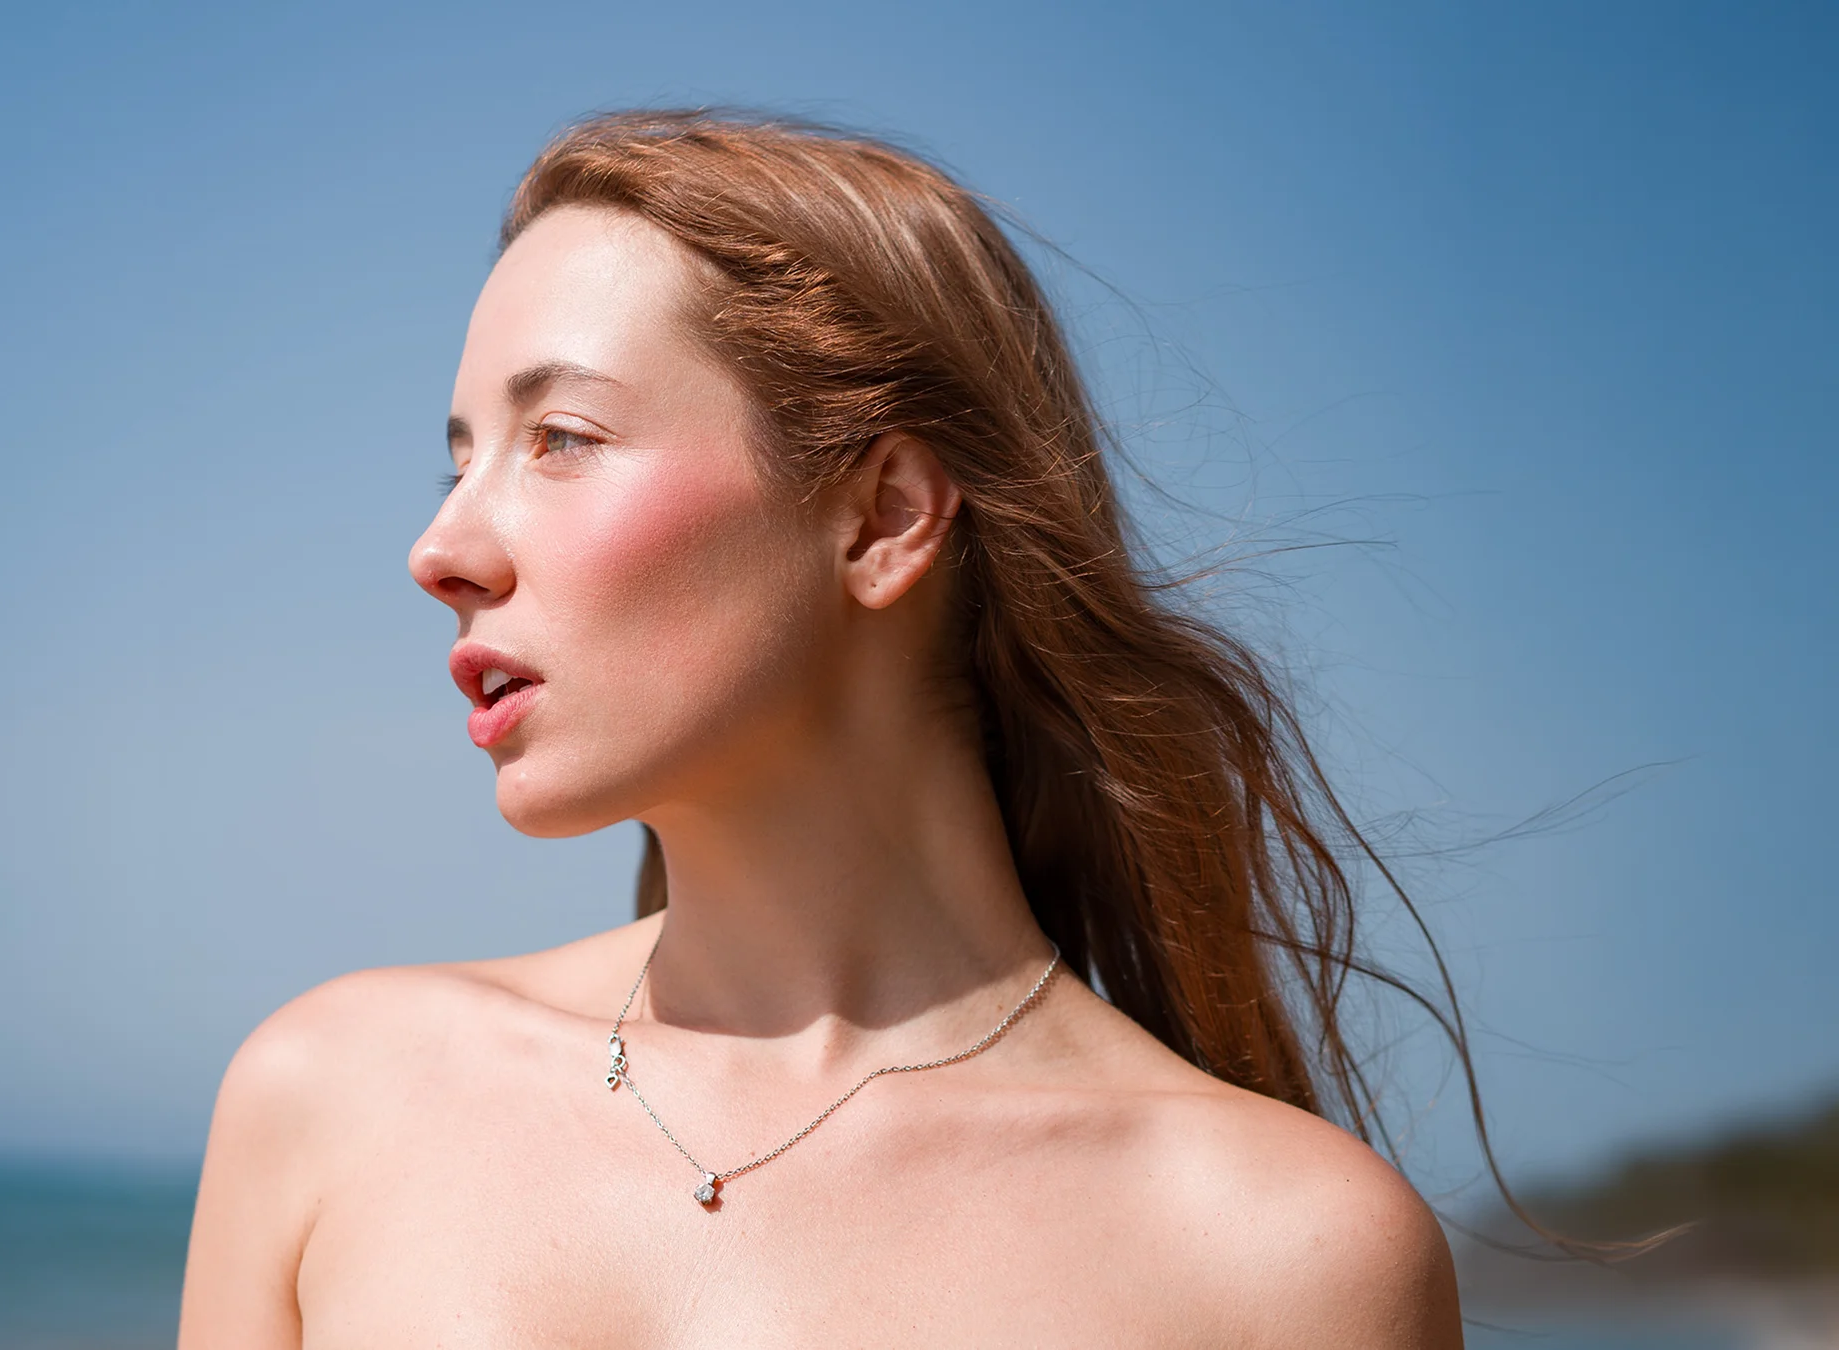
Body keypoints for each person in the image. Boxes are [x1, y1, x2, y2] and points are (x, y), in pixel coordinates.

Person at [178, 110, 1464, 1346]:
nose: (440, 550)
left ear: (885, 516)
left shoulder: (1286, 1256)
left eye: (560, 439)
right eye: (460, 462)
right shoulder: (338, 1096)